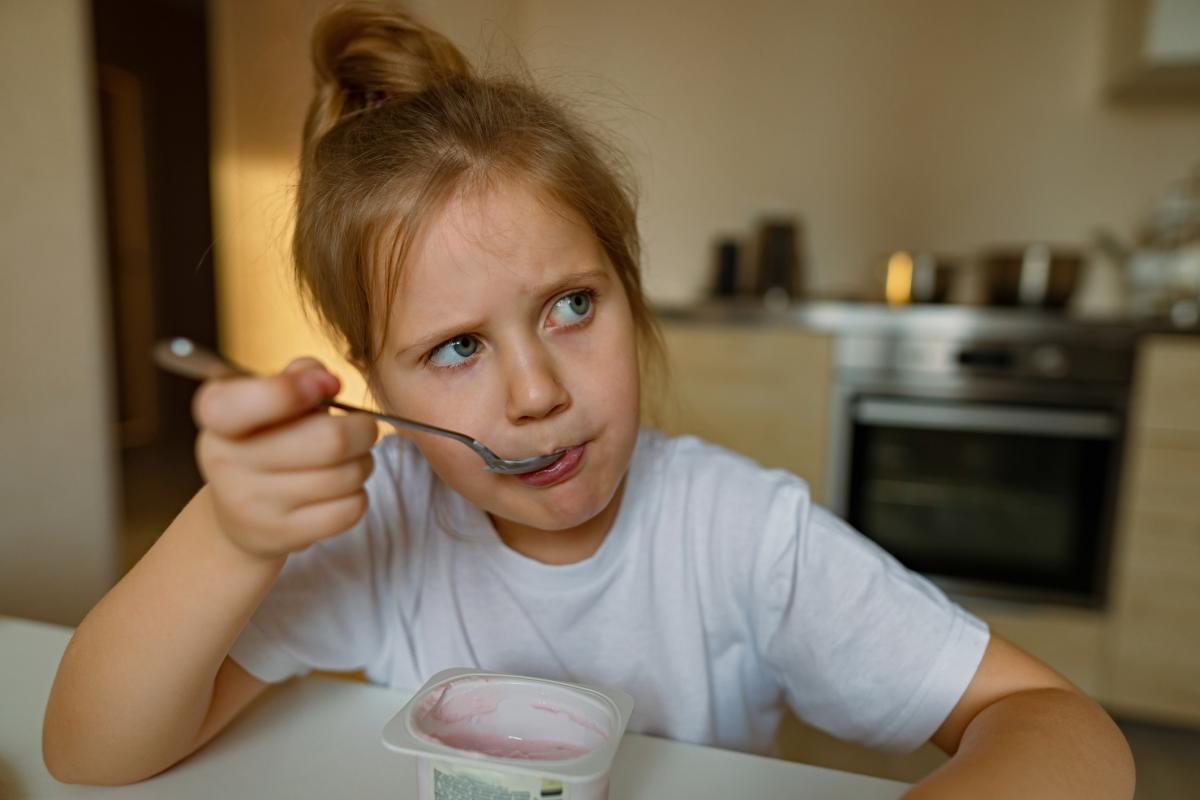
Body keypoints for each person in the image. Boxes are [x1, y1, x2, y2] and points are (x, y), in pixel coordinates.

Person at [43, 4, 1134, 797]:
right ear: (372, 380)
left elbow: (1057, 723)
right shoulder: (382, 531)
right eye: (458, 344)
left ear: (631, 287)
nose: (535, 392)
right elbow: (87, 749)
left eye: (571, 305)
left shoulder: (741, 532)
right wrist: (229, 535)